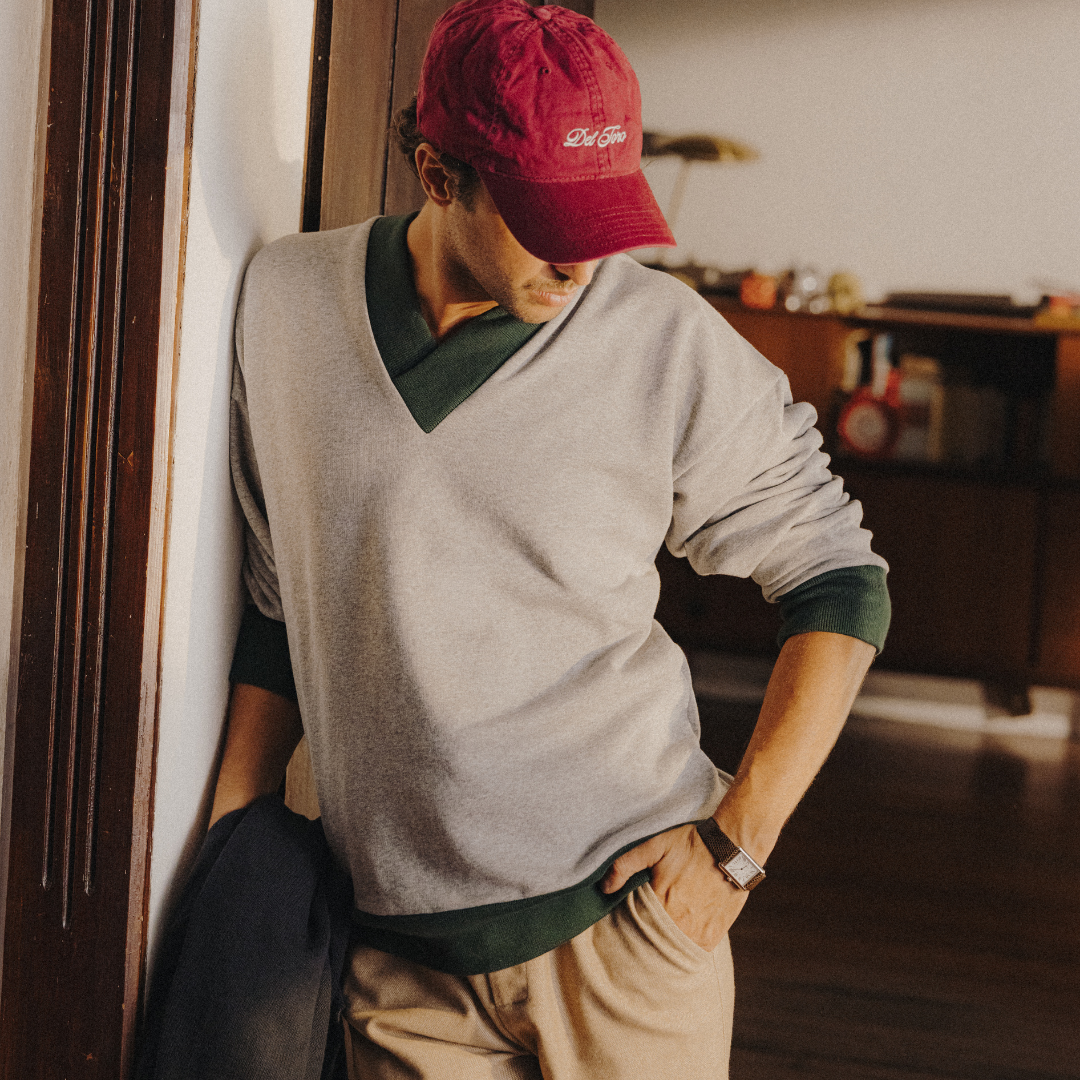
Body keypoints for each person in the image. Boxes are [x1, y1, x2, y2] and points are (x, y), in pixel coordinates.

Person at [211, 1, 889, 1077]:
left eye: (602, 214)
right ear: (438, 175)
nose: (582, 262)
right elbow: (278, 603)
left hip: (626, 932)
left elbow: (841, 580)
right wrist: (226, 849)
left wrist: (736, 848)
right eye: (547, 218)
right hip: (398, 962)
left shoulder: (661, 340)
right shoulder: (285, 305)